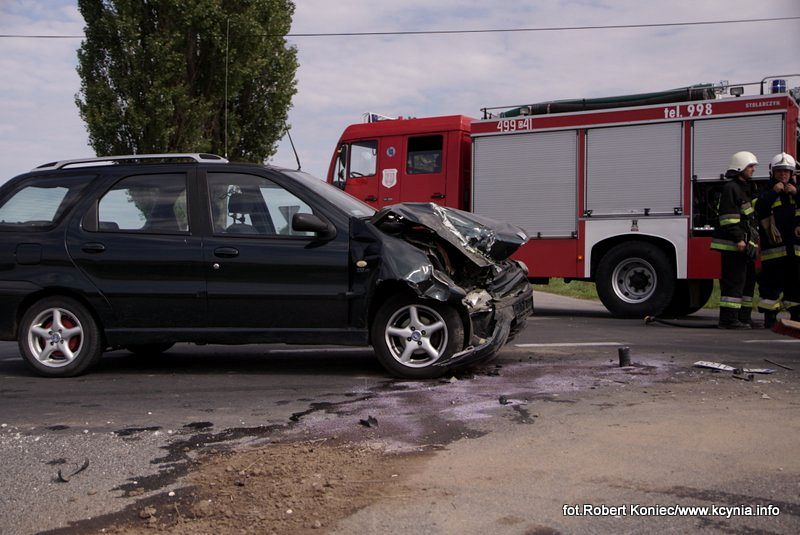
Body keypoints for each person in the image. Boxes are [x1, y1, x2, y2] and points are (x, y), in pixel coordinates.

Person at [710, 151, 759, 329]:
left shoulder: (745, 187)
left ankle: (744, 318)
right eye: (750, 166)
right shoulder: (731, 188)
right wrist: (739, 239)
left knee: (748, 281)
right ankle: (728, 320)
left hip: (745, 245)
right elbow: (728, 219)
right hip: (734, 245)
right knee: (734, 283)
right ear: (740, 167)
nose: (753, 170)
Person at [756, 152, 800, 327]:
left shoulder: (797, 192)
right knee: (770, 286)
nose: (783, 175)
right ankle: (769, 318)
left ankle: (796, 317)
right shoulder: (766, 191)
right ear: (772, 173)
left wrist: (796, 193)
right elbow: (758, 209)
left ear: (792, 174)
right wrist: (773, 193)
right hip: (773, 250)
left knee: (796, 286)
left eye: (786, 172)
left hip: (795, 251)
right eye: (779, 171)